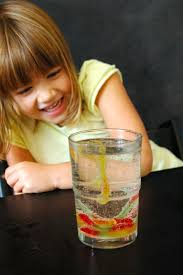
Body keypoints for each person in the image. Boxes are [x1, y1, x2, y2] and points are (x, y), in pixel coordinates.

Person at [0, 0, 160, 194]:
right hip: (101, 212)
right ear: (6, 98)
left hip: (161, 187)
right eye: (25, 90)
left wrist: (53, 176)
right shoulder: (13, 125)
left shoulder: (95, 80)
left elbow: (139, 161)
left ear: (65, 59)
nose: (48, 95)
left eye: (53, 74)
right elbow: (25, 186)